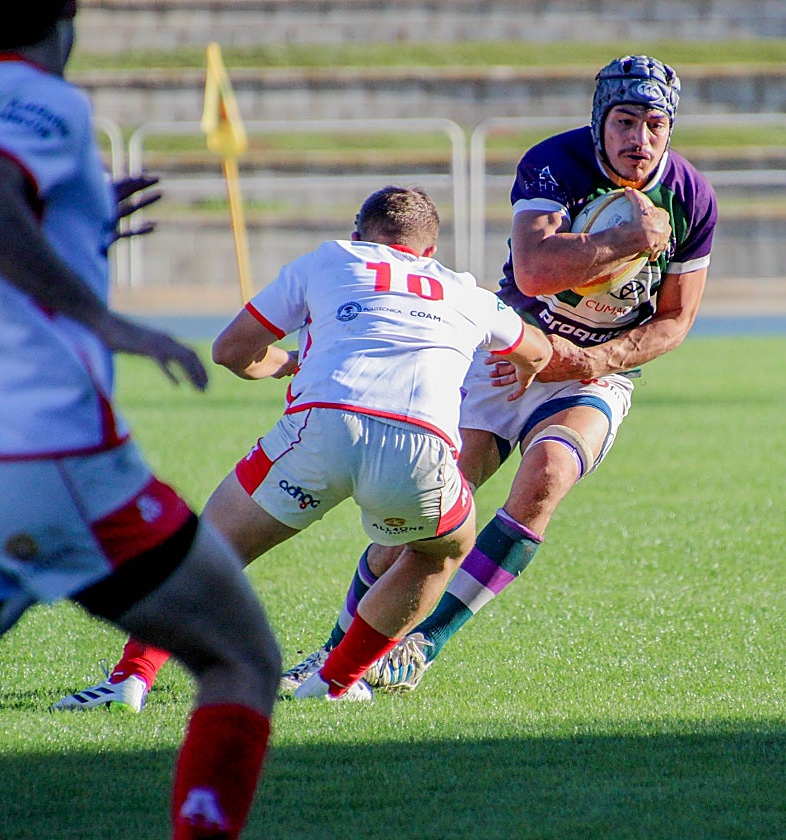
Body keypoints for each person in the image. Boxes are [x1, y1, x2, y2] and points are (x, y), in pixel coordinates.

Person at [0, 3, 282, 836]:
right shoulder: (42, 97)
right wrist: (107, 321)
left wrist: (75, 229)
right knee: (241, 658)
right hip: (45, 456)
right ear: (63, 13)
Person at [278, 54, 719, 694]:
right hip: (507, 355)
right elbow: (536, 269)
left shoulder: (691, 197)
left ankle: (425, 643)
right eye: (626, 121)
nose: (640, 140)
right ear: (601, 120)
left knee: (548, 476)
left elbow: (675, 320)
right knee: (425, 515)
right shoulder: (554, 163)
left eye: (655, 125)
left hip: (594, 373)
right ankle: (335, 655)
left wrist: (597, 361)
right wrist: (628, 240)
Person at [53, 185, 552, 707]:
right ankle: (334, 683)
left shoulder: (332, 258)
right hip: (420, 444)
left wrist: (286, 364)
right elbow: (535, 348)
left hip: (322, 427)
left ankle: (131, 679)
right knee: (440, 552)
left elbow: (230, 350)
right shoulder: (464, 290)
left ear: (358, 235)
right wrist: (523, 368)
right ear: (429, 254)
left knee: (210, 549)